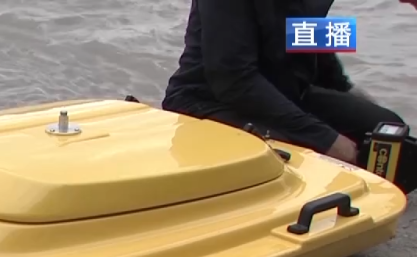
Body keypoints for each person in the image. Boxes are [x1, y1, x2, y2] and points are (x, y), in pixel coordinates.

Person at [161, 0, 407, 164]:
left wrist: (346, 89)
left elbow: (306, 32)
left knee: (386, 130)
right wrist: (325, 139)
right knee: (292, 158)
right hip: (209, 99)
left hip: (286, 90)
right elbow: (233, 78)